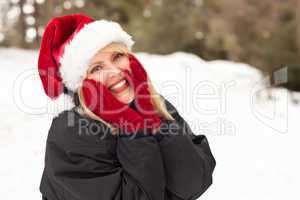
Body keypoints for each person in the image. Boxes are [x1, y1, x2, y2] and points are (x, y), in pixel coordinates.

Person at [37, 13, 216, 200]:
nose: (114, 72)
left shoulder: (152, 103)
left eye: (118, 56)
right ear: (81, 84)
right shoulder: (70, 132)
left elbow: (195, 181)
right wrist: (133, 128)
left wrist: (151, 116)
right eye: (96, 68)